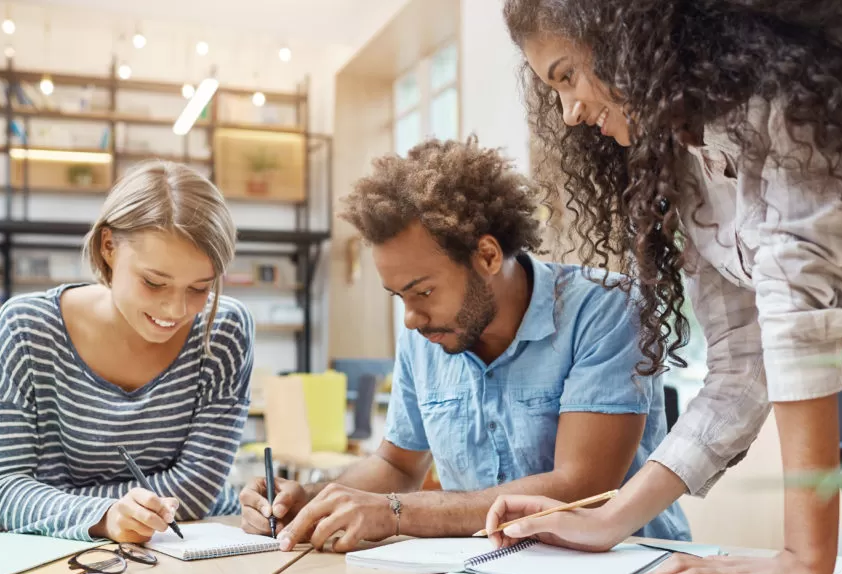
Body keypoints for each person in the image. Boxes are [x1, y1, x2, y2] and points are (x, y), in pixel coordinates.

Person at [487, 0, 842, 574]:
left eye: (567, 76)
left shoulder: (786, 100)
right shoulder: (682, 164)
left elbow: (797, 317)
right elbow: (741, 365)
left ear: (624, 36)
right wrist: (609, 517)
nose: (569, 113)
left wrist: (804, 557)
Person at [239, 138, 690, 551]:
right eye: (400, 297)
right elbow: (397, 466)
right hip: (486, 570)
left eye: (424, 292)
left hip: (624, 573)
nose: (411, 319)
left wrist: (396, 514)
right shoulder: (425, 337)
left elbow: (581, 489)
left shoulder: (606, 309)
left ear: (488, 256)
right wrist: (314, 501)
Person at [0, 160, 252, 542]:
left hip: (194, 542)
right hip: (65, 556)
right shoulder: (27, 329)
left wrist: (54, 504)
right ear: (109, 247)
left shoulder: (222, 330)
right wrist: (104, 516)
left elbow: (196, 489)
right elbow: (0, 491)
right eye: (154, 283)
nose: (176, 311)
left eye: (199, 288)